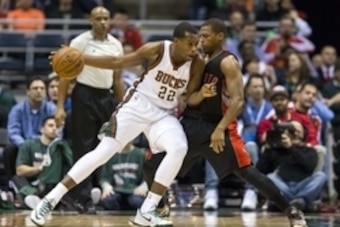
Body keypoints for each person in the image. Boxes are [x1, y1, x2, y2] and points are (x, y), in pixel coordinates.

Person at [30, 22, 211, 227]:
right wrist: (81, 57)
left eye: (197, 44)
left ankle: (147, 210)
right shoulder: (157, 49)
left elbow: (189, 96)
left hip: (164, 114)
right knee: (102, 154)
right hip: (137, 105)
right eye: (190, 44)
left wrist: (202, 96)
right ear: (176, 42)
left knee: (179, 148)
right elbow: (118, 61)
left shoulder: (197, 63)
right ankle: (50, 200)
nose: (195, 49)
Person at [144, 18, 307, 227]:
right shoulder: (199, 59)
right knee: (151, 164)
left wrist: (220, 129)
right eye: (200, 36)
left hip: (216, 127)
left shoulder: (227, 61)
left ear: (220, 36)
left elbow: (239, 101)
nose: (201, 40)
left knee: (248, 173)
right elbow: (190, 96)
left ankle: (291, 210)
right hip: (191, 124)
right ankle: (160, 208)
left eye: (206, 36)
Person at [54, 6, 125, 213]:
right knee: (83, 148)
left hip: (106, 96)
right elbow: (65, 76)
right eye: (98, 18)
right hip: (84, 95)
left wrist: (122, 105)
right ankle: (81, 198)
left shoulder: (116, 44)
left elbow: (118, 79)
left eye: (106, 18)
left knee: (102, 148)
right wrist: (60, 106)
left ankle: (96, 192)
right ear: (90, 21)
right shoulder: (79, 42)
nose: (103, 22)